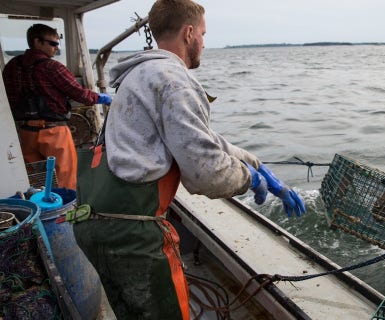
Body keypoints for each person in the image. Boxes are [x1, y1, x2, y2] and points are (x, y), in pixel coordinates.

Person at [71, 0, 305, 319]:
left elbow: (201, 140)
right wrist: (249, 180)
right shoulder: (174, 80)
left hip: (93, 222)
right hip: (133, 234)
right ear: (189, 32)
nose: (204, 44)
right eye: (204, 35)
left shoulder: (138, 75)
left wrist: (255, 163)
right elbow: (204, 174)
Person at [2, 23, 111, 190]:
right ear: (37, 41)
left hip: (26, 132)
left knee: (37, 180)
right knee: (66, 180)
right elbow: (79, 94)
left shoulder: (12, 67)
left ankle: (45, 209)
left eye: (58, 43)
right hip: (53, 132)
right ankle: (66, 212)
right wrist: (101, 98)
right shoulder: (52, 67)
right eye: (52, 43)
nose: (56, 48)